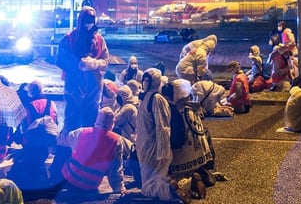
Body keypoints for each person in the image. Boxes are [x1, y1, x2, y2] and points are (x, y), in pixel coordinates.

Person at [52, 6, 110, 181]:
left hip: (94, 89)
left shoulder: (99, 40)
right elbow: (60, 59)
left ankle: (87, 163)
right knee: (71, 125)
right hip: (74, 89)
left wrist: (95, 64)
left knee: (90, 126)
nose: (89, 25)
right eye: (86, 21)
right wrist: (76, 65)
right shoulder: (69, 39)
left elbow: (105, 60)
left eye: (91, 21)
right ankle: (61, 166)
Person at [62, 107, 133, 195]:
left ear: (96, 120)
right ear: (112, 124)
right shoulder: (116, 141)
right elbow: (115, 170)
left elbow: (63, 140)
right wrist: (119, 188)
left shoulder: (81, 132)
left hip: (69, 179)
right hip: (90, 185)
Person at [163, 79, 215, 198]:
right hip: (202, 157)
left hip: (184, 158)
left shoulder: (176, 111)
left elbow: (176, 139)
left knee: (165, 175)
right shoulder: (193, 107)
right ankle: (201, 172)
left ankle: (188, 182)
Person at [135, 68, 175, 202]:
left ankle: (171, 190)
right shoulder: (146, 97)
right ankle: (184, 185)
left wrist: (163, 152)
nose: (145, 83)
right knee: (150, 180)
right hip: (144, 147)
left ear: (155, 81)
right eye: (144, 80)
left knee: (148, 187)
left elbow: (163, 127)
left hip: (153, 148)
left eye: (148, 80)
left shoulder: (157, 99)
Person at [270, 21, 298, 91]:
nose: (278, 27)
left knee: (291, 65)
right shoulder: (284, 33)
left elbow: (291, 43)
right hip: (287, 50)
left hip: (290, 50)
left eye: (280, 25)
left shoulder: (286, 32)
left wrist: (284, 46)